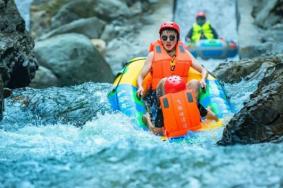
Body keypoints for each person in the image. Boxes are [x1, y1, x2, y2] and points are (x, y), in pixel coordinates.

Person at [137, 21, 218, 135]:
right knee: (165, 82)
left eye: (172, 37)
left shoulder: (185, 54)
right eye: (164, 38)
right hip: (159, 95)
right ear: (160, 39)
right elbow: (141, 75)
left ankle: (194, 114)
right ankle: (150, 122)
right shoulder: (153, 55)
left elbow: (203, 69)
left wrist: (203, 79)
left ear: (177, 39)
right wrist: (140, 86)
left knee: (195, 83)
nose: (168, 40)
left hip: (181, 93)